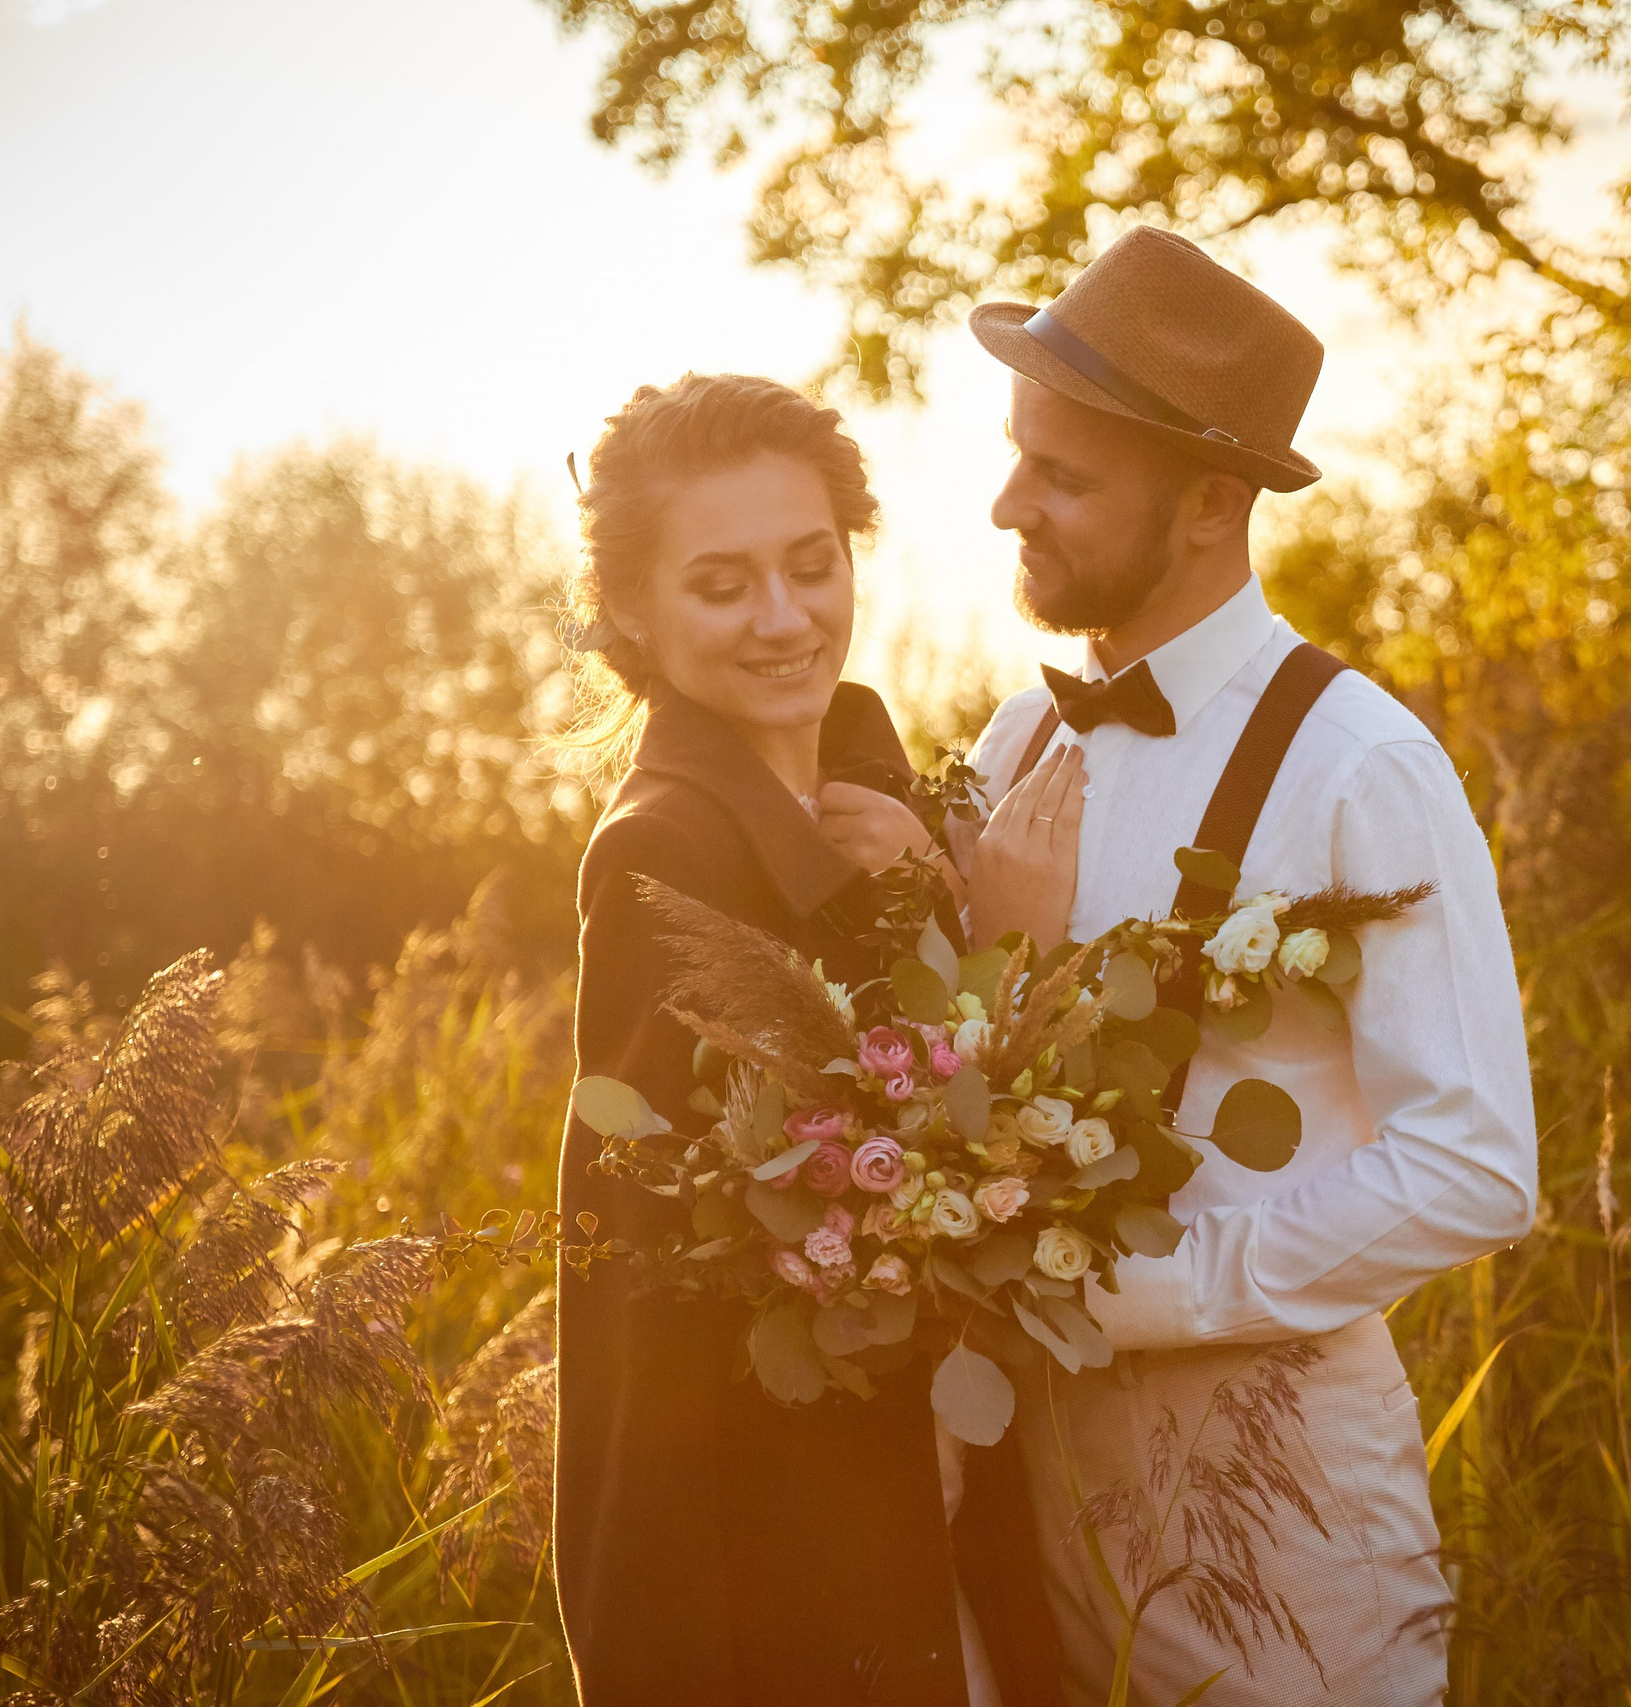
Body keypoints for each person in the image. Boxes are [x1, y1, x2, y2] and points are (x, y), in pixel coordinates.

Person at [957, 228, 1542, 1702]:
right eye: (1020, 457)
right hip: (1033, 1487)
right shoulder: (1013, 740)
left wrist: (1159, 1288)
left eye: (1063, 478)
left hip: (1284, 1510)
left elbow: (1478, 1161)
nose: (1006, 504)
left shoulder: (1364, 769)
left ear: (1216, 501)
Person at [549, 374, 1064, 1706]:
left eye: (811, 564)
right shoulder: (665, 850)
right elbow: (642, 1291)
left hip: (961, 1483)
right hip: (800, 1536)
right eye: (722, 585)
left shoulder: (872, 779)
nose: (785, 619)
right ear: (630, 610)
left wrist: (937, 906)